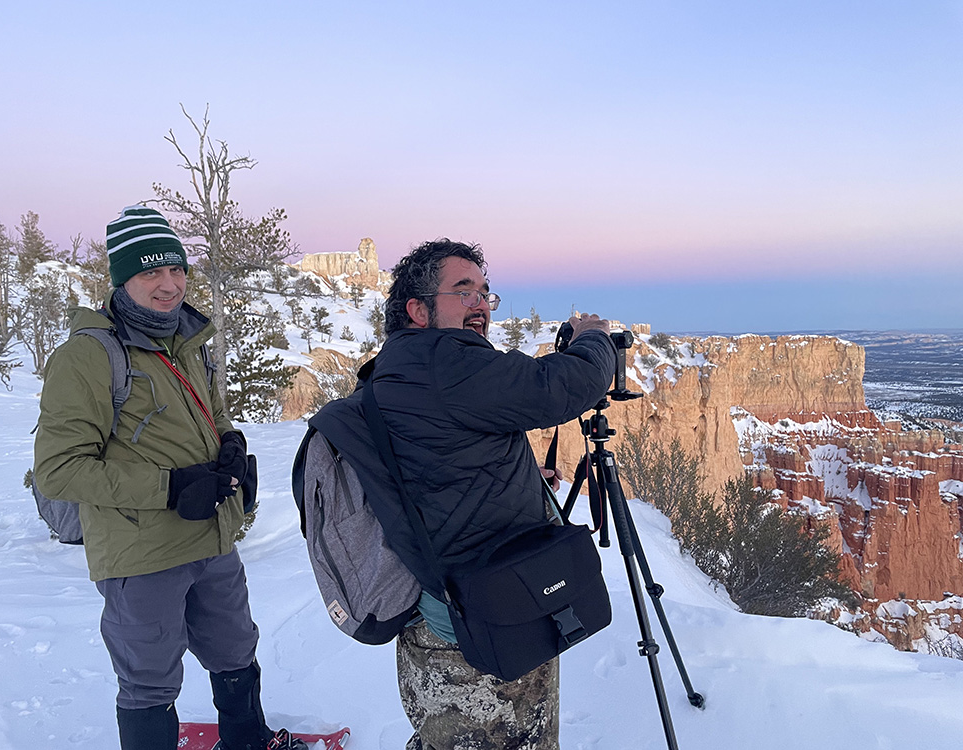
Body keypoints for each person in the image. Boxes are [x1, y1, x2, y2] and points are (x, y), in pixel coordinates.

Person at [309, 239, 616, 749]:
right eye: (463, 290)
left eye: (485, 292)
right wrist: (593, 338)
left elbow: (436, 462)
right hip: (482, 627)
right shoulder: (445, 361)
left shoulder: (396, 367)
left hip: (440, 621)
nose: (480, 303)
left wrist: (518, 476)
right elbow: (561, 386)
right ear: (417, 309)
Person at [34, 205, 305, 750]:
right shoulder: (90, 356)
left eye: (176, 269)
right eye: (150, 273)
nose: (168, 284)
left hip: (211, 535)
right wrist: (170, 488)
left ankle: (248, 741)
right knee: (149, 678)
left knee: (235, 648)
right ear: (121, 280)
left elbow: (211, 414)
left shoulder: (184, 338)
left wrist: (231, 444)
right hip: (141, 552)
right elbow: (58, 469)